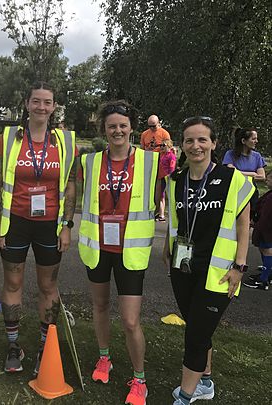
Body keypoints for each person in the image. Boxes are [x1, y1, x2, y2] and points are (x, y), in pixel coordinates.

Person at [164, 116, 253, 405]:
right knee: (198, 326)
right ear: (183, 144)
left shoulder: (231, 178)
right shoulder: (175, 181)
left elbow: (243, 224)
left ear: (214, 143)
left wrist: (240, 265)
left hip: (219, 272)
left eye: (202, 139)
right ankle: (205, 382)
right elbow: (176, 224)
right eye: (189, 140)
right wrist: (167, 251)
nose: (196, 145)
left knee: (196, 335)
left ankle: (185, 396)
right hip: (183, 267)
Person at [0, 81, 77, 375]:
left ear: (54, 107)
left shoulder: (65, 141)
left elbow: (71, 184)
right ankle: (13, 345)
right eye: (36, 101)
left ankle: (45, 345)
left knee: (48, 286)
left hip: (50, 225)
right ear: (27, 104)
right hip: (15, 223)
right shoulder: (8, 138)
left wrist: (67, 225)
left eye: (47, 102)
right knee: (12, 283)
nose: (41, 107)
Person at [79, 100, 163, 405]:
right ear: (104, 128)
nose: (117, 130)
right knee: (100, 307)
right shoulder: (89, 162)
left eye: (123, 125)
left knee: (130, 321)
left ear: (131, 128)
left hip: (132, 252)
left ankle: (139, 379)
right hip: (98, 247)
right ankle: (105, 359)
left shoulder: (150, 162)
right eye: (112, 125)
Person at [222, 127, 265, 219]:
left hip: (251, 193)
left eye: (256, 138)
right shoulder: (230, 154)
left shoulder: (257, 156)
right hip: (234, 192)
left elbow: (262, 176)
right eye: (253, 139)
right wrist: (253, 174)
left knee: (250, 219)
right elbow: (231, 172)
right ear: (243, 141)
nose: (256, 141)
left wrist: (239, 173)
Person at [244, 170, 272, 290]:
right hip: (266, 229)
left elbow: (265, 216)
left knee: (267, 251)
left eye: (269, 179)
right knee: (265, 250)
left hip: (266, 230)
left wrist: (256, 226)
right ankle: (266, 274)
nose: (266, 180)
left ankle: (264, 280)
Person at [156, 139, 177, 221]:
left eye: (163, 145)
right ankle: (160, 213)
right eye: (160, 145)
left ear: (169, 146)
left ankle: (162, 215)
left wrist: (169, 177)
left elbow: (172, 168)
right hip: (160, 177)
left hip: (166, 178)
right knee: (161, 196)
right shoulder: (162, 154)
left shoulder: (171, 156)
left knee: (164, 196)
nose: (161, 147)